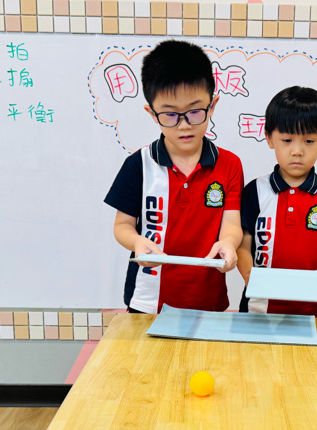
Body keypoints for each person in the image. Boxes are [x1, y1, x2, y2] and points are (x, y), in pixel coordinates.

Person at [104, 40, 243, 313]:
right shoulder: (138, 165)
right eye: (169, 114)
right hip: (148, 300)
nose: (183, 125)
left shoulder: (229, 165)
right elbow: (122, 225)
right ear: (151, 113)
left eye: (195, 111)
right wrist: (137, 242)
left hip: (207, 299)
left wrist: (229, 243)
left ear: (212, 105)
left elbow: (231, 224)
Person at [237, 86, 317, 317]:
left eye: (308, 140)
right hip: (257, 310)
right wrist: (250, 276)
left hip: (312, 310)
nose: (297, 151)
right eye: (287, 140)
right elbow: (243, 246)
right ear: (269, 138)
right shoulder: (254, 191)